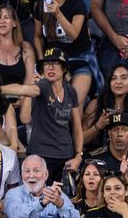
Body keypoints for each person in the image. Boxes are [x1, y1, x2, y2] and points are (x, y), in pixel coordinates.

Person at [5, 47, 82, 182]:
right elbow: (24, 118)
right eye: (46, 64)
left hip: (66, 156)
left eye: (55, 63)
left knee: (62, 199)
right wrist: (1, 89)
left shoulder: (70, 90)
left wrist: (78, 155)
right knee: (39, 199)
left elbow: (77, 128)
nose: (50, 67)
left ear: (64, 68)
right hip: (41, 154)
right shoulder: (42, 86)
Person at [3, 154, 80, 218]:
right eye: (27, 171)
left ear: (46, 174)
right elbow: (16, 216)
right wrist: (42, 203)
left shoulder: (57, 195)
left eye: (36, 170)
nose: (31, 175)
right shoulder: (13, 194)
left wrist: (61, 204)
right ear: (21, 175)